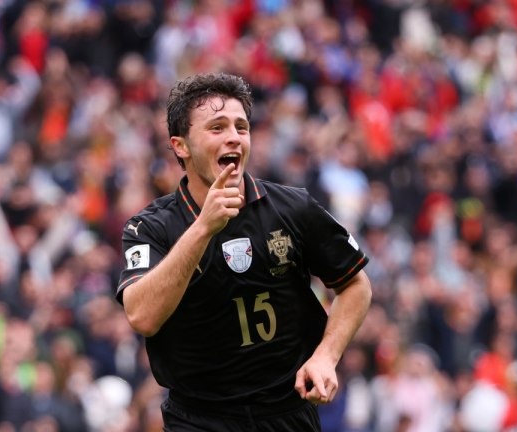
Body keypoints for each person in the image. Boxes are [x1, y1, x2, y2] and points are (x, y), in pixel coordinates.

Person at [114, 73, 372, 431]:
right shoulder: (149, 228)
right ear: (181, 146)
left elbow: (356, 284)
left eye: (241, 127)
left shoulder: (292, 207)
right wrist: (203, 228)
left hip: (288, 413)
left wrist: (326, 356)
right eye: (217, 128)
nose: (234, 137)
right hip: (200, 419)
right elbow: (142, 316)